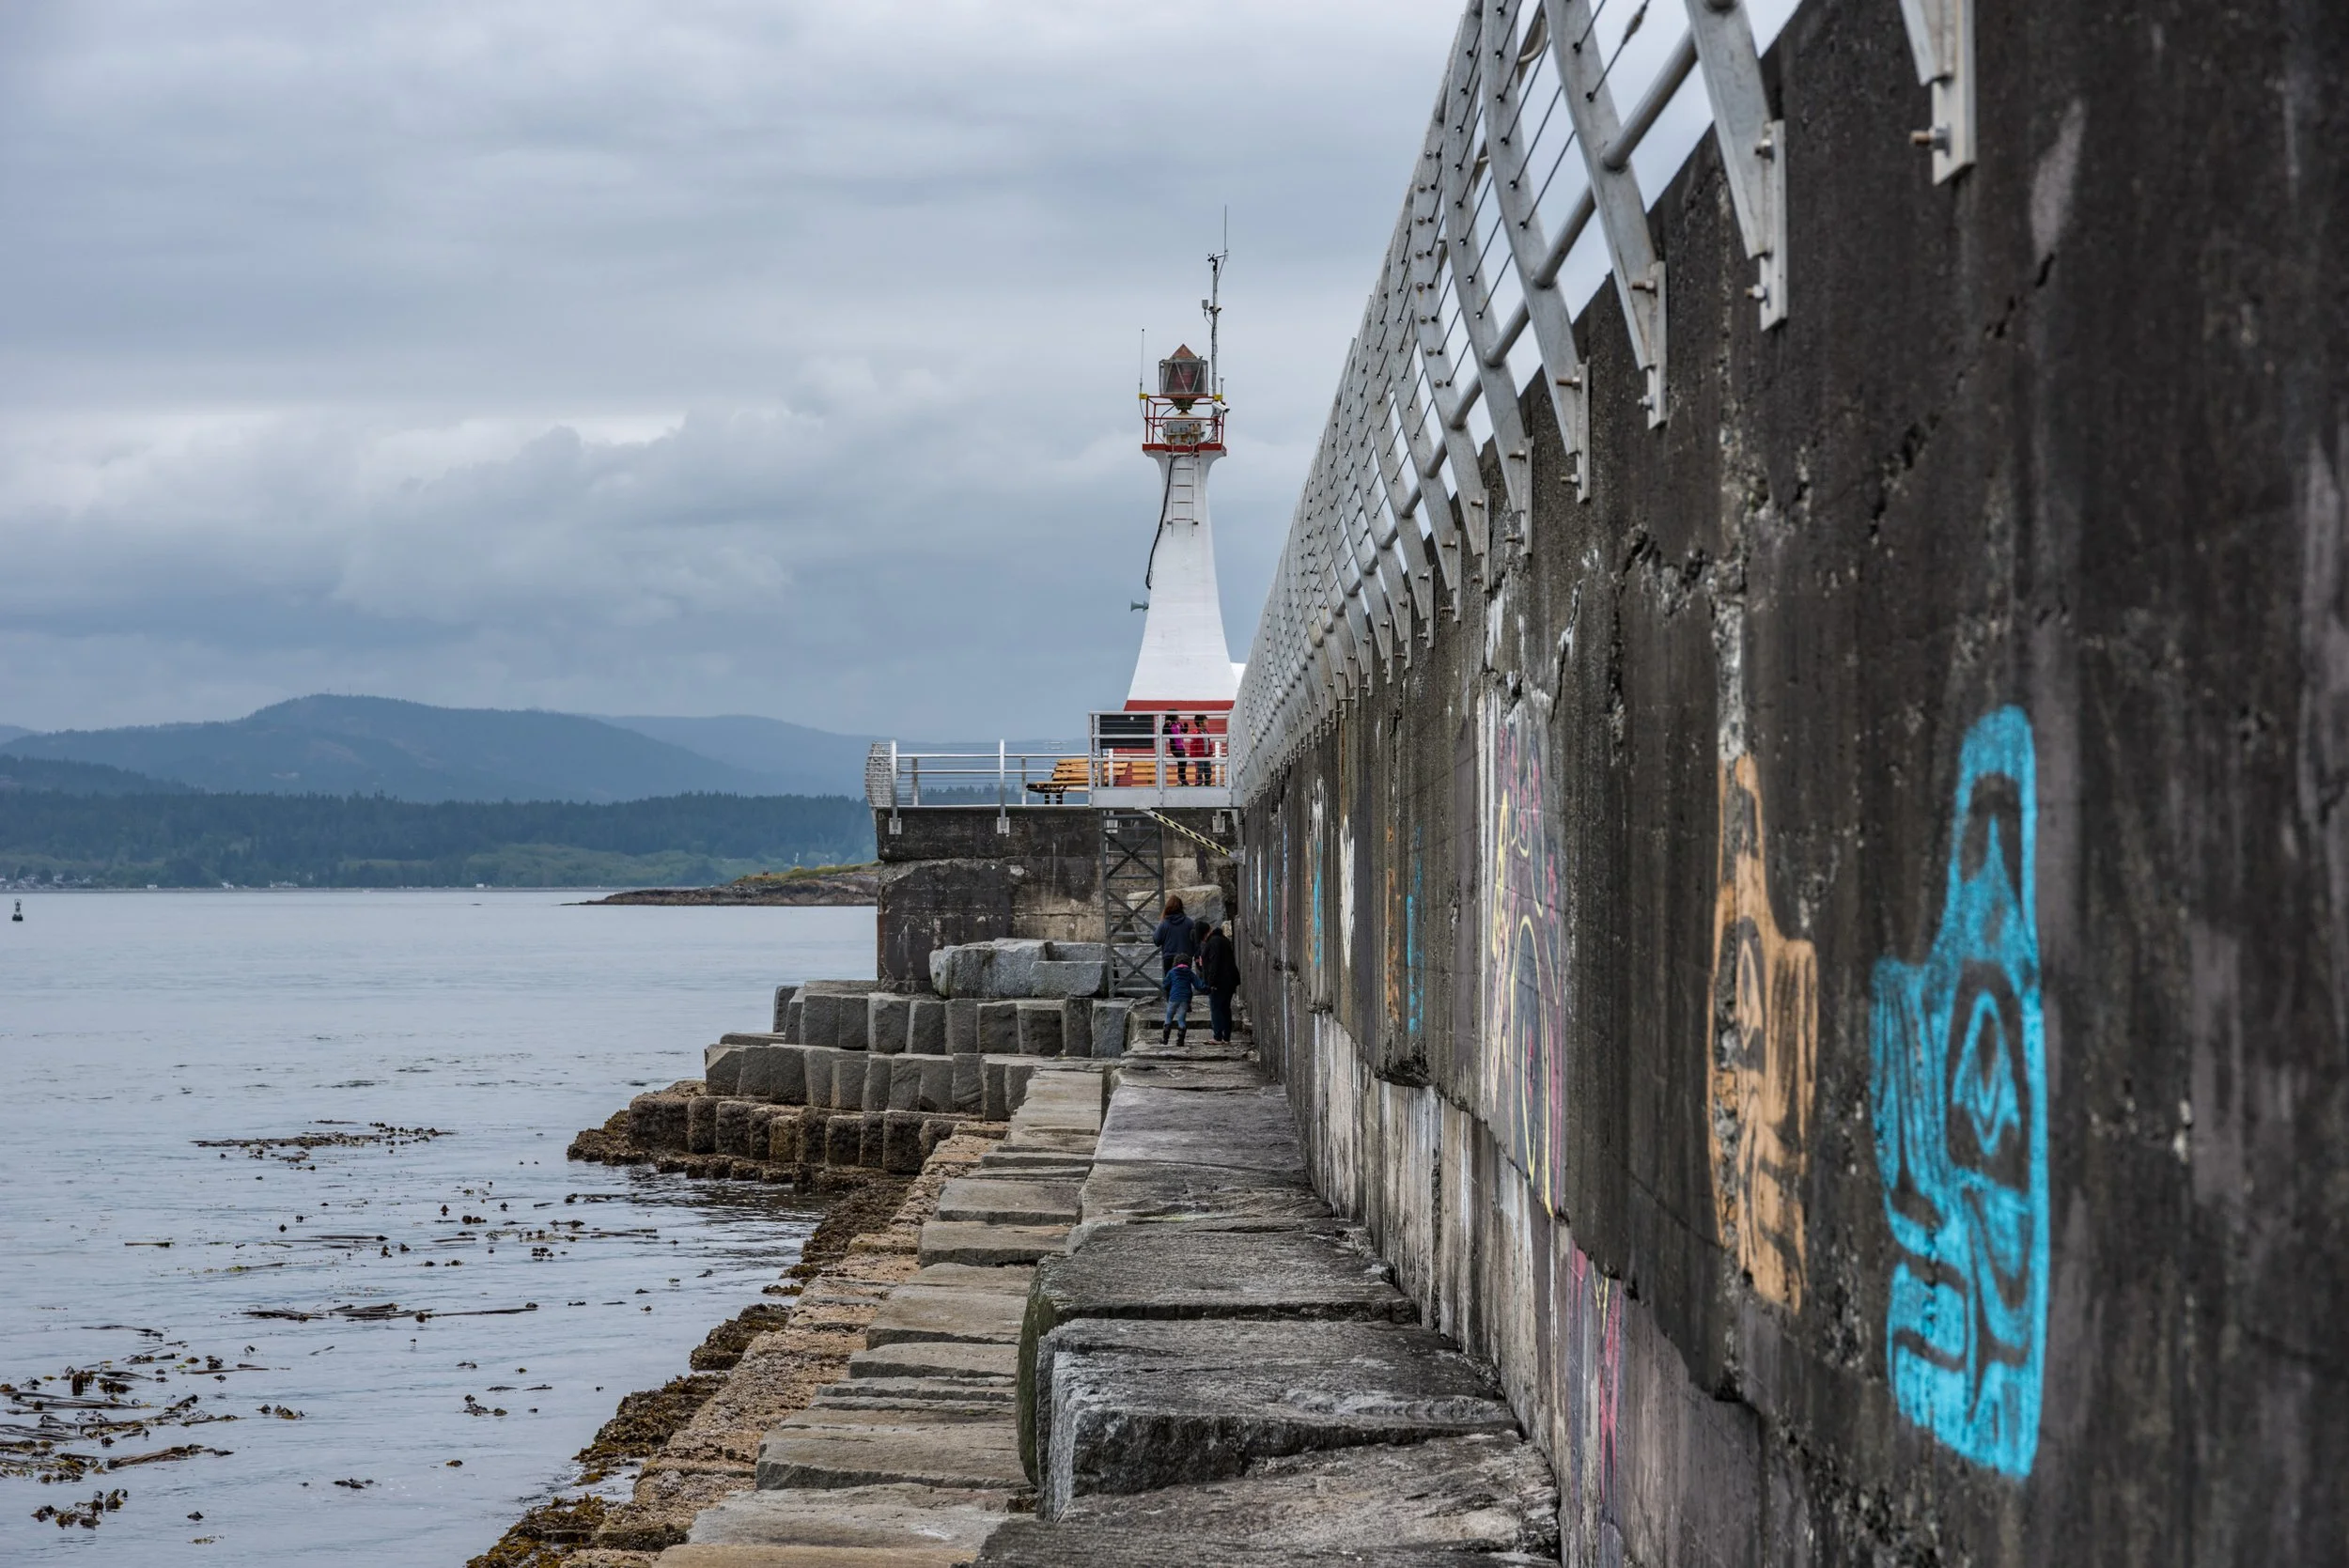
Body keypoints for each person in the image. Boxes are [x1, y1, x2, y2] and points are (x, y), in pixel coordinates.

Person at [1152, 895, 1199, 1046]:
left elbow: (1156, 940)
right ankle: (1186, 1004)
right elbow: (1196, 941)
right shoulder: (1189, 923)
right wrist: (1196, 955)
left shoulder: (1165, 923)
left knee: (1170, 982)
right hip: (1185, 957)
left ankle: (1171, 1003)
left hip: (1169, 957)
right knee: (1185, 980)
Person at [1197, 919, 1241, 1043]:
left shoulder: (1213, 942)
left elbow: (1214, 965)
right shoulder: (1221, 939)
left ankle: (1218, 1036)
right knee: (1225, 1008)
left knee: (1216, 1008)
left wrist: (1210, 983)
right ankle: (1226, 1036)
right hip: (1229, 980)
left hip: (1220, 982)